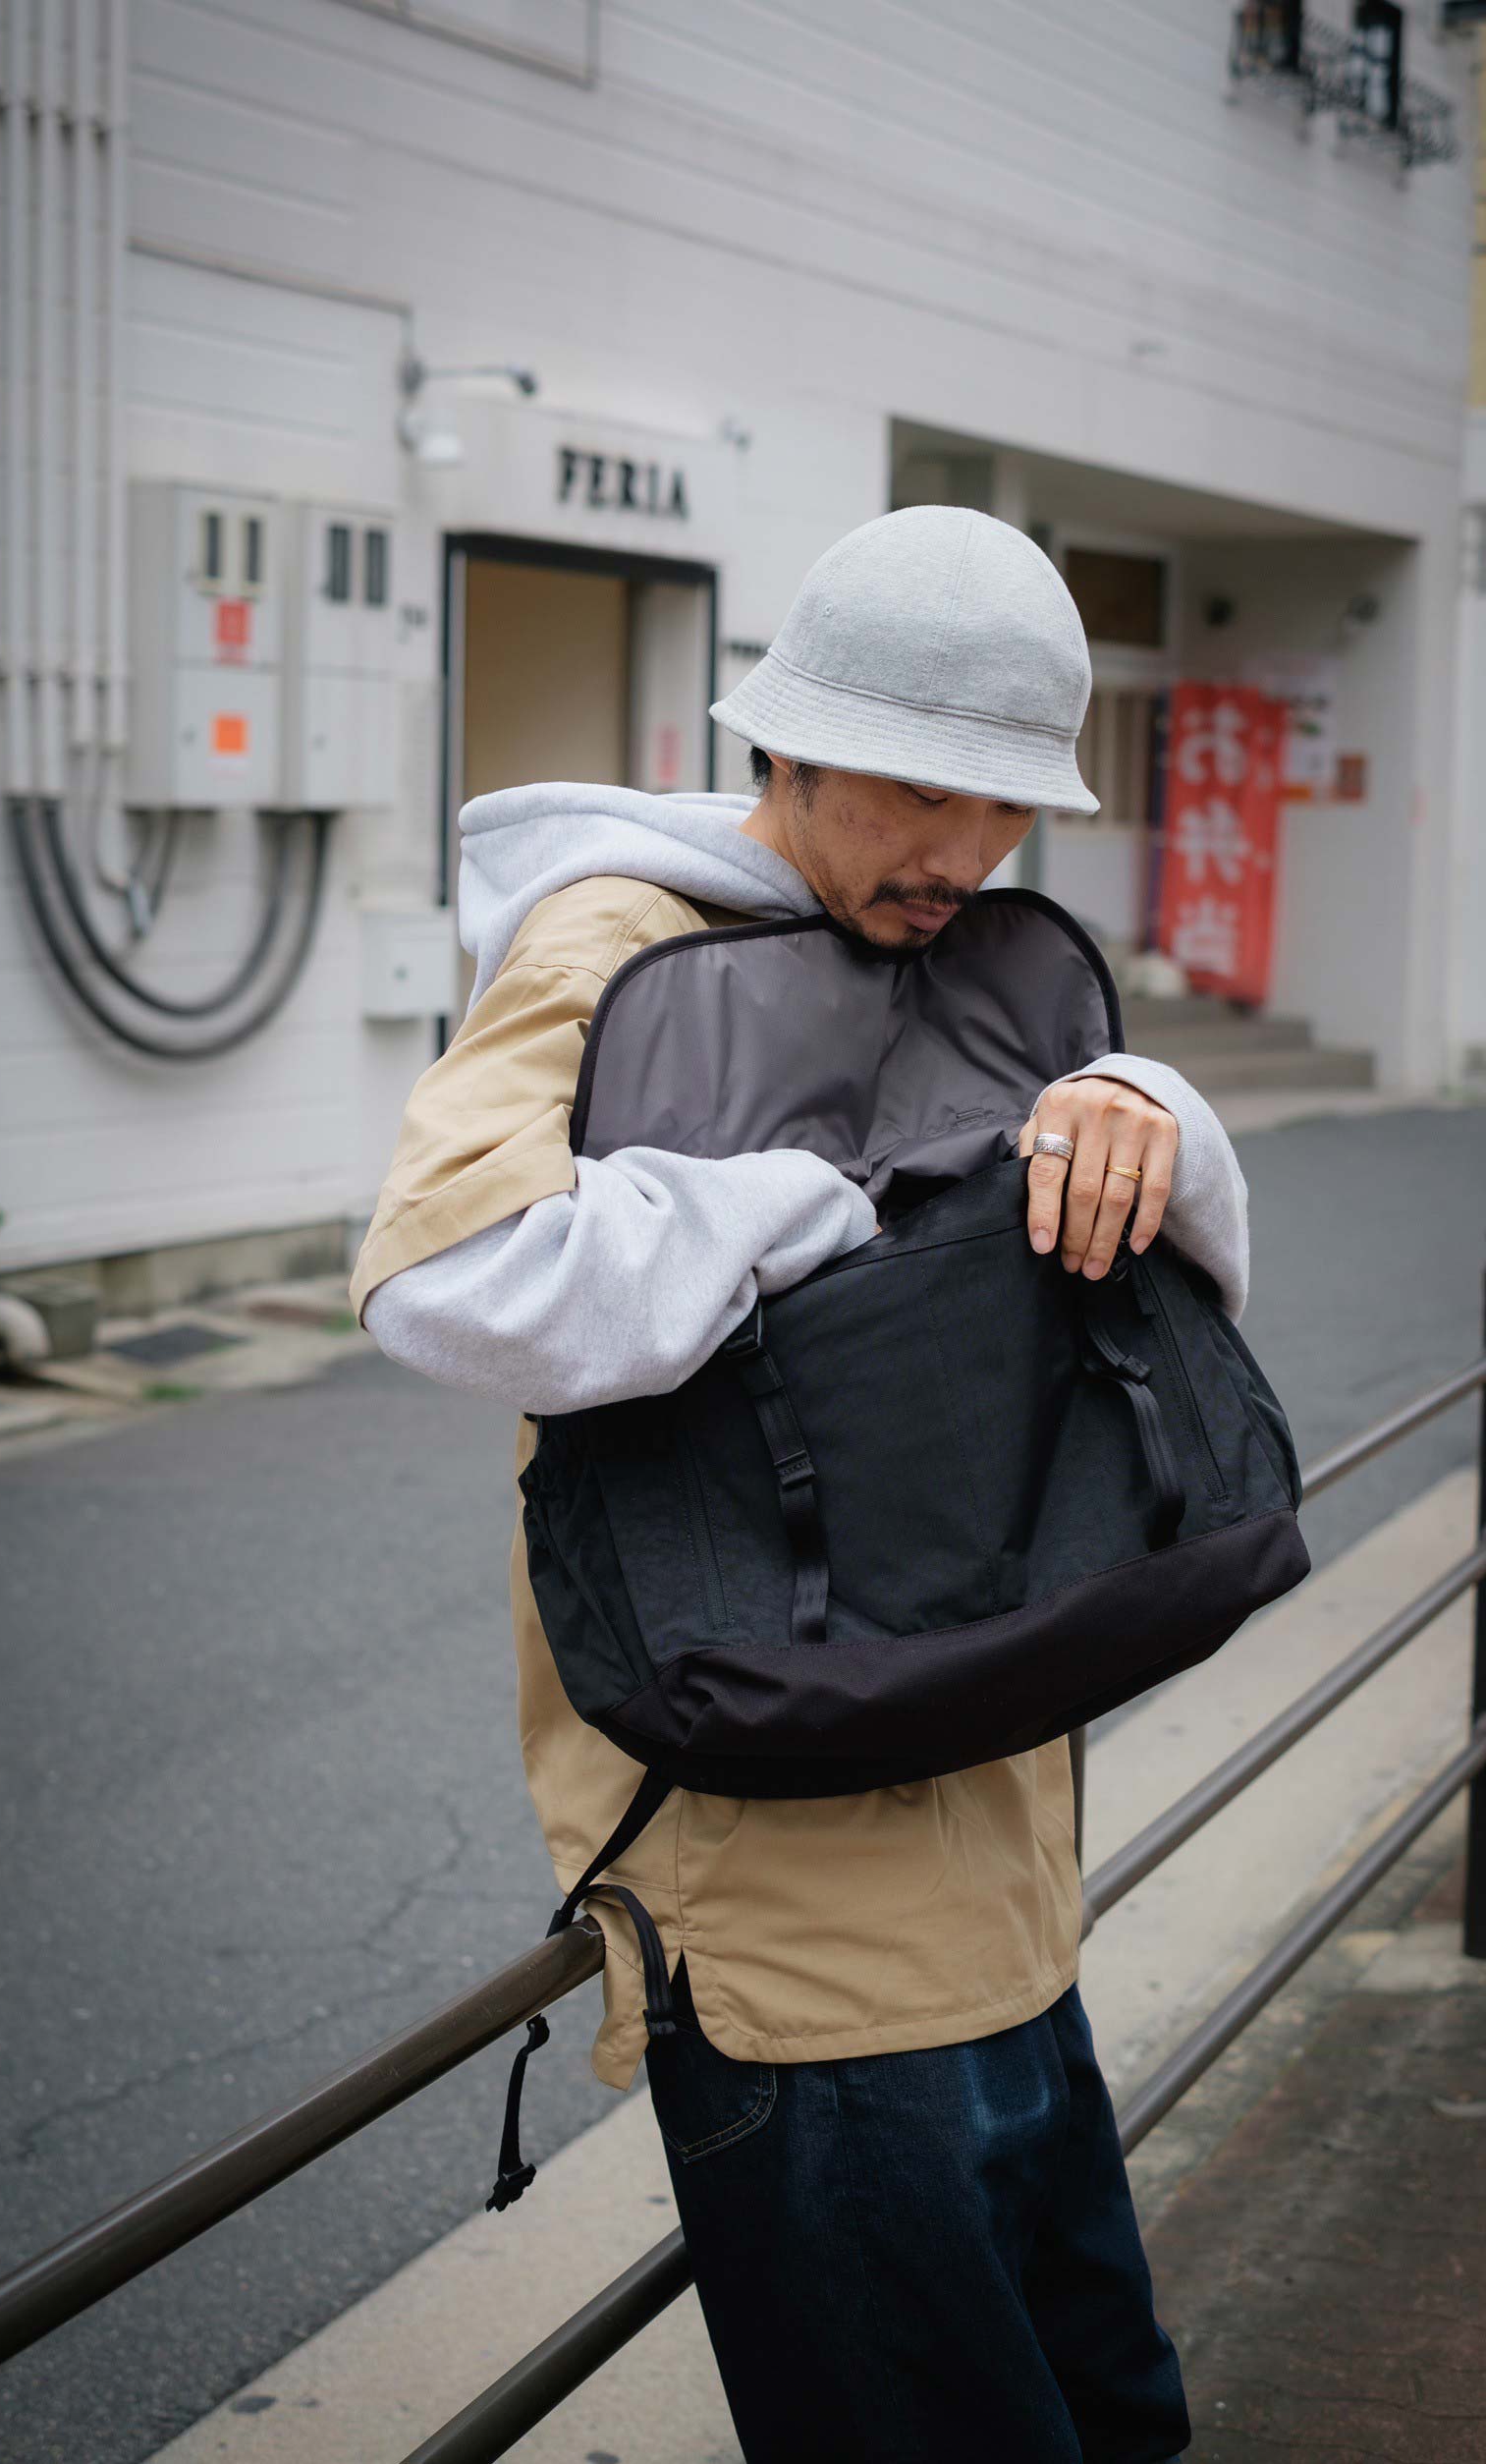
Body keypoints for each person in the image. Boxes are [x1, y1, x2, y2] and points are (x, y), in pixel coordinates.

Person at [351, 508, 1240, 2462]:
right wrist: (806, 1208)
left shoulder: (965, 950)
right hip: (778, 1915)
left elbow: (1135, 1317)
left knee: (1110, 2417)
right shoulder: (613, 936)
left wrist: (1141, 1111)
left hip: (1007, 1855)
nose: (954, 851)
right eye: (917, 791)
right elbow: (438, 1276)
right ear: (795, 740)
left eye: (1000, 808)